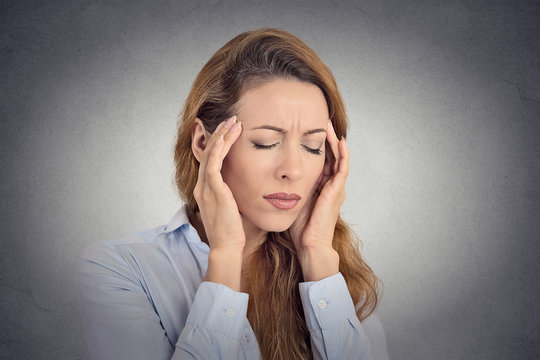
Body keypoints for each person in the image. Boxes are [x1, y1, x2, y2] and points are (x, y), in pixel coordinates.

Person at [78, 27, 389, 360]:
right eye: (266, 142)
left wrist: (317, 255)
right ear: (203, 143)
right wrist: (225, 257)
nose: (293, 170)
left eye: (312, 147)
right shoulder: (120, 269)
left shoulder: (337, 275)